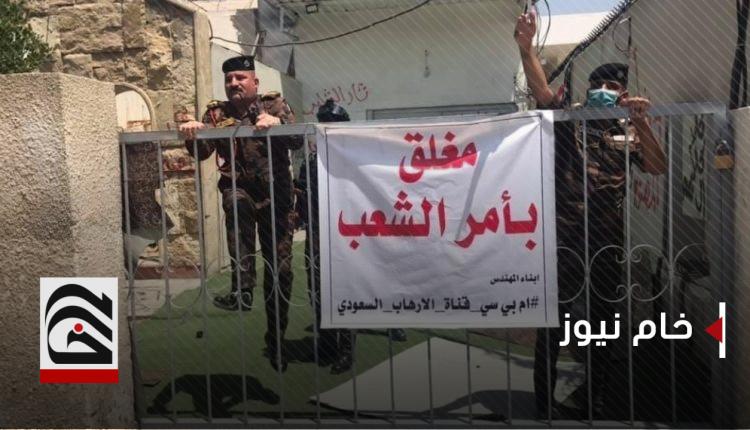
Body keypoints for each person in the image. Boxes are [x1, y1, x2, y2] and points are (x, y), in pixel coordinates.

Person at [514, 10, 667, 419]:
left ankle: (595, 400)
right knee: (554, 323)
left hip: (605, 242)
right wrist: (526, 49)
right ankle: (544, 404)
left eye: (611, 87)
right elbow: (543, 92)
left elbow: (656, 167)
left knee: (600, 324)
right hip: (564, 239)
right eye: (597, 84)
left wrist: (642, 123)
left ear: (623, 94)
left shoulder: (627, 132)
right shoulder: (571, 119)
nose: (602, 90)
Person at [179, 55, 302, 372]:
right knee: (236, 202)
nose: (234, 83)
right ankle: (242, 289)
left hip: (276, 197)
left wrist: (277, 125)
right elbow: (202, 153)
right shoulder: (216, 113)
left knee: (280, 271)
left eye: (240, 78)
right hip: (240, 189)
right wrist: (193, 133)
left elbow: (297, 140)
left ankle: (276, 339)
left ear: (255, 82)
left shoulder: (274, 105)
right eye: (229, 79)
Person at [295, 99, 357, 374]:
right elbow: (302, 194)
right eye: (324, 123)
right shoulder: (312, 161)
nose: (327, 128)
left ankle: (346, 350)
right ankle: (327, 345)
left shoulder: (354, 160)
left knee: (345, 291)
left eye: (332, 123)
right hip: (317, 234)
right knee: (318, 291)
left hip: (347, 235)